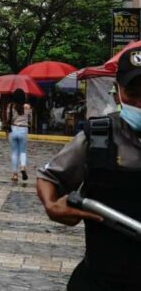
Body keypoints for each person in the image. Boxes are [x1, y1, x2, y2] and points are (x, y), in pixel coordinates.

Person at [37, 48, 141, 290]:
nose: (140, 102)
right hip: (101, 279)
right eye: (134, 93)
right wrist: (52, 205)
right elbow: (49, 176)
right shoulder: (97, 137)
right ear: (118, 93)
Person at [7, 88, 32, 182]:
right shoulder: (27, 107)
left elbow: (8, 117)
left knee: (14, 152)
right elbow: (30, 119)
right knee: (22, 152)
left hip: (13, 129)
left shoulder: (10, 106)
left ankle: (14, 175)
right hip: (23, 129)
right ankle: (23, 167)